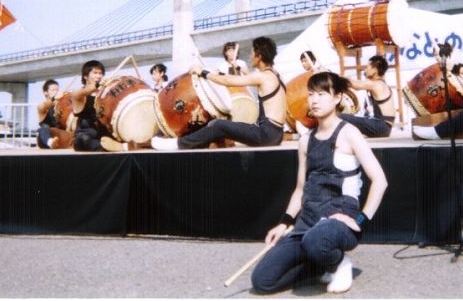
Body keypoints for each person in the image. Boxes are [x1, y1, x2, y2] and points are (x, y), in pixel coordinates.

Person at [251, 72, 388, 294]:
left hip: (339, 223)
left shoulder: (349, 133)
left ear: (338, 98)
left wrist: (360, 220)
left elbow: (380, 181)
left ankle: (338, 263)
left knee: (317, 240)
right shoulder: (305, 140)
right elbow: (300, 189)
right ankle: (319, 264)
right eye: (311, 94)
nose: (314, 100)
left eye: (322, 94)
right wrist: (284, 223)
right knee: (262, 281)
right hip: (307, 222)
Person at [151, 36, 287, 150]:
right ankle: (205, 143)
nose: (250, 57)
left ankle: (178, 144)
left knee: (218, 125)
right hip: (277, 135)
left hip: (265, 134)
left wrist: (203, 72)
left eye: (252, 53)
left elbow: (227, 80)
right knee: (227, 125)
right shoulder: (276, 75)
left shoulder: (263, 76)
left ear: (259, 56)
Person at [343, 55, 396, 138]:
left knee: (338, 117)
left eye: (367, 67)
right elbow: (359, 83)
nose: (365, 70)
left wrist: (343, 78)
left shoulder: (377, 84)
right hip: (383, 126)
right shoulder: (380, 83)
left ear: (374, 70)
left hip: (381, 127)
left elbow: (355, 85)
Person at [71, 60, 109, 152]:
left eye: (100, 73)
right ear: (85, 76)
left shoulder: (104, 94)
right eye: (95, 73)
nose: (98, 76)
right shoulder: (79, 95)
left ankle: (109, 145)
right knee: (83, 139)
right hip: (86, 135)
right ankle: (108, 147)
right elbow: (80, 93)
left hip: (103, 134)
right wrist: (97, 85)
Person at [36, 79, 59, 149]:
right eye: (53, 90)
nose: (56, 92)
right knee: (44, 127)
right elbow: (44, 106)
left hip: (58, 135)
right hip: (45, 137)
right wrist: (53, 100)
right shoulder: (42, 106)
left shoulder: (59, 105)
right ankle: (50, 142)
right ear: (45, 93)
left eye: (57, 90)